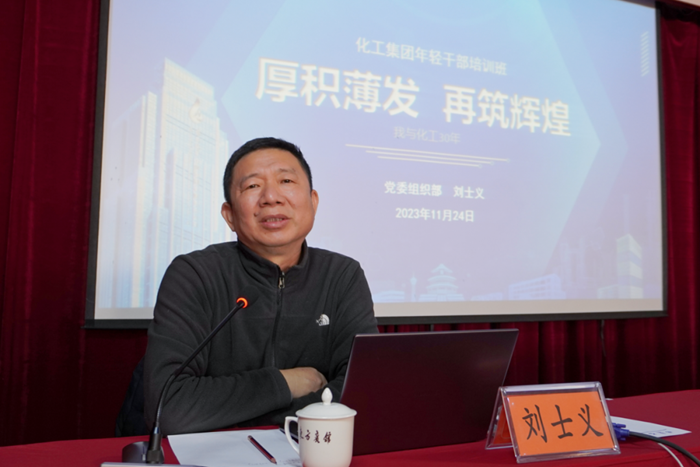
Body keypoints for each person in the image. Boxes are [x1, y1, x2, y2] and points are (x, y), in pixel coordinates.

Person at [143, 137, 378, 435]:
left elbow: (364, 391)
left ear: (313, 202)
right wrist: (286, 383)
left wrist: (249, 416)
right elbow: (169, 408)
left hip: (308, 448)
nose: (271, 197)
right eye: (253, 186)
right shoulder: (195, 274)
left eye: (286, 181)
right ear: (229, 215)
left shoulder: (342, 275)